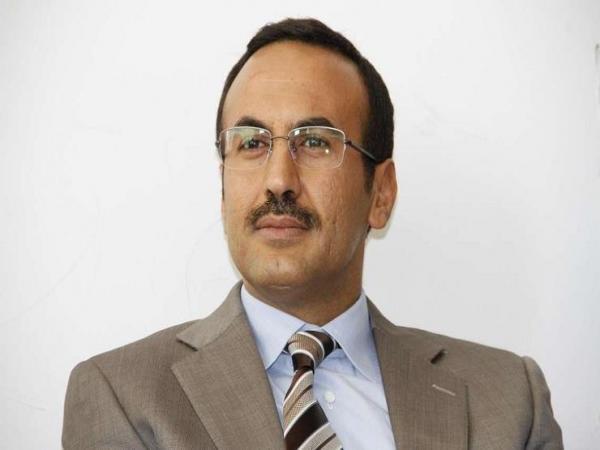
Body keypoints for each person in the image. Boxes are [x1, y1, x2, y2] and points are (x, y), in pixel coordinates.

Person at [62, 18, 563, 449]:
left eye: (316, 142)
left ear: (381, 194)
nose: (279, 179)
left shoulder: (508, 400)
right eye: (251, 143)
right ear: (222, 185)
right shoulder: (122, 396)